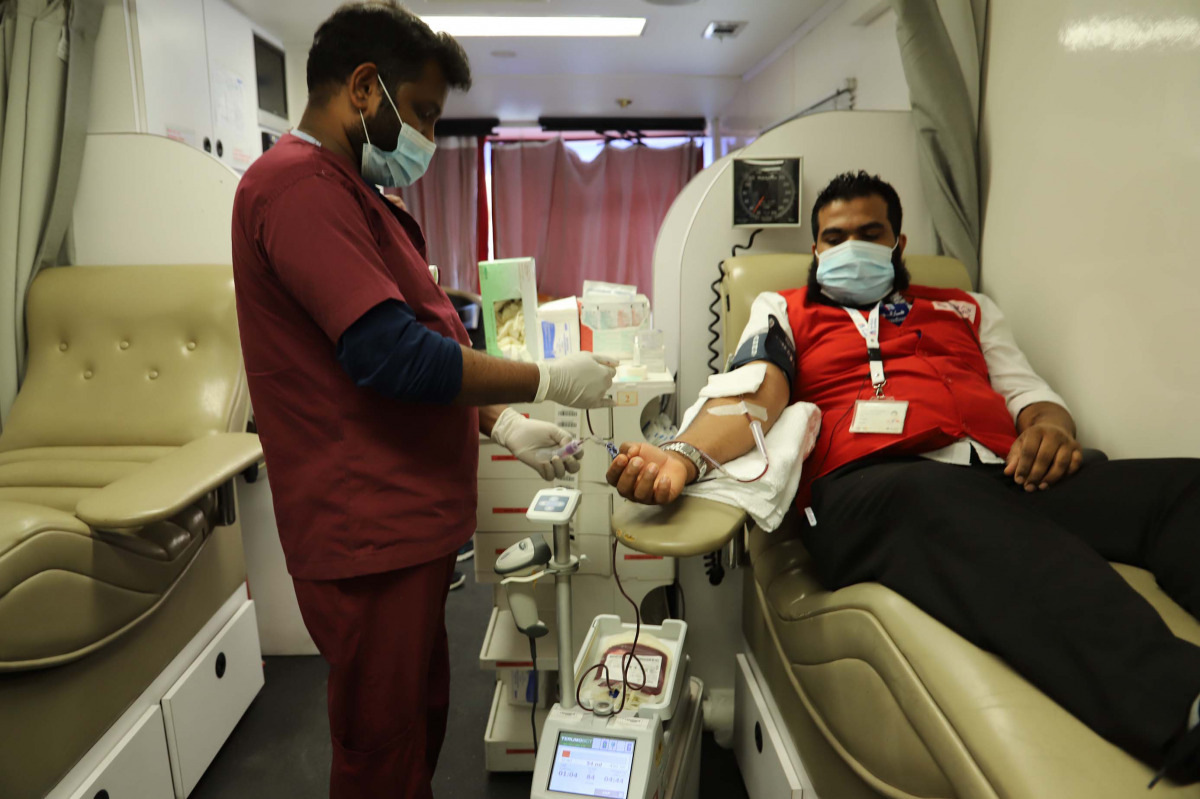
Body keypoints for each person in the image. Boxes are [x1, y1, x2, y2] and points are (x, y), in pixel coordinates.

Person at [607, 170, 1200, 786]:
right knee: (935, 501)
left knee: (1183, 488)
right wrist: (683, 456)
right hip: (878, 491)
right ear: (815, 249)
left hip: (1006, 475)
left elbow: (1029, 393)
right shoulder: (784, 308)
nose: (850, 248)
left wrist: (1049, 429)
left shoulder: (965, 309)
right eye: (834, 237)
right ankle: (1178, 703)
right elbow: (755, 390)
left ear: (898, 242)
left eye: (870, 233)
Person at [230, 4, 615, 797]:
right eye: (426, 113)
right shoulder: (299, 189)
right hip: (364, 523)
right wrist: (543, 379)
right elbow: (393, 355)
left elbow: (412, 333)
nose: (430, 140)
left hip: (400, 522)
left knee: (417, 719)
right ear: (365, 88)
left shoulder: (352, 192)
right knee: (381, 750)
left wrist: (500, 420)